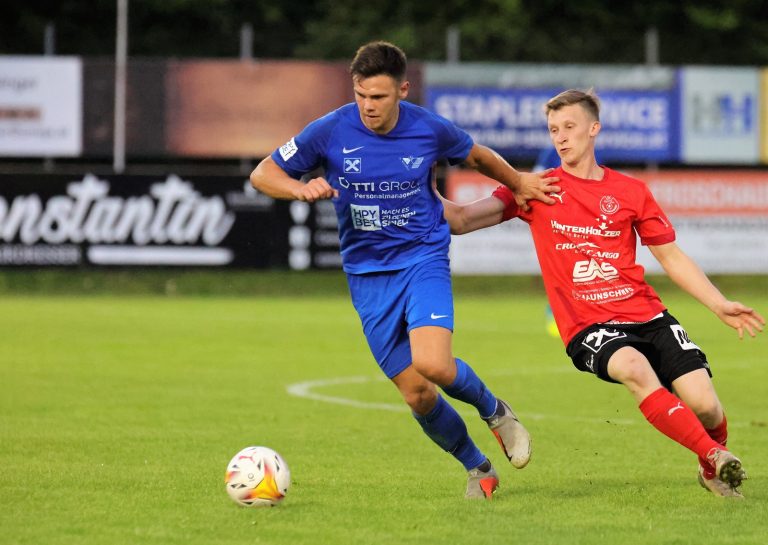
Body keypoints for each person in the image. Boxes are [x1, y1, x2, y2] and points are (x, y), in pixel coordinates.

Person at [250, 41, 559, 499]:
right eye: (361, 95)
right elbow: (262, 174)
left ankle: (495, 412)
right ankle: (478, 467)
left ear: (402, 90)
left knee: (432, 362)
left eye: (378, 96)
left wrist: (519, 183)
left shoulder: (427, 128)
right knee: (417, 394)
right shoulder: (329, 130)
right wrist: (298, 189)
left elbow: (477, 156)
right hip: (367, 276)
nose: (368, 106)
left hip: (422, 258)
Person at [441, 89, 765, 498]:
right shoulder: (536, 189)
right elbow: (462, 219)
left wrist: (719, 304)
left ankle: (709, 467)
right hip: (588, 323)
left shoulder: (630, 191)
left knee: (706, 406)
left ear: (593, 129)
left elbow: (671, 257)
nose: (560, 137)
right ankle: (716, 456)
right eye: (553, 129)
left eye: (570, 127)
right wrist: (418, 188)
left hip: (646, 313)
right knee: (634, 369)